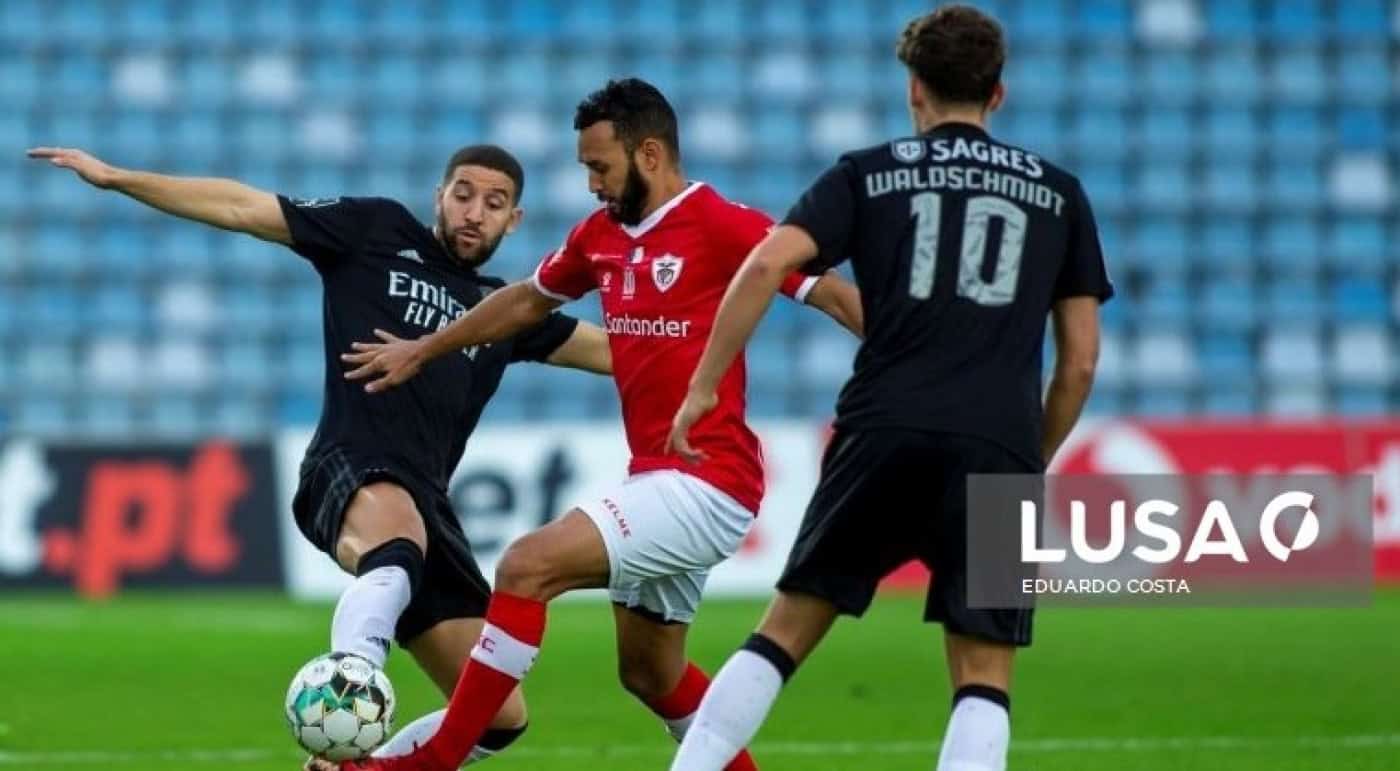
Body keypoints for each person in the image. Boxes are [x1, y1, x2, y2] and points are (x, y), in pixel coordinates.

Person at [316, 78, 862, 771]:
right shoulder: (601, 236)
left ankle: (426, 763)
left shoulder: (723, 224)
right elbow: (521, 304)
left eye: (600, 167)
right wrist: (423, 349)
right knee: (650, 672)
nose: (591, 183)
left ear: (651, 154)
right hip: (660, 476)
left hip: (708, 477)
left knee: (526, 564)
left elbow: (833, 293)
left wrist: (909, 370)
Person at [27, 143, 614, 764]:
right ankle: (349, 684)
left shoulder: (503, 309)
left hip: (430, 504)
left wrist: (702, 333)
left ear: (514, 219)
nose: (474, 212)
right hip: (350, 463)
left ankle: (360, 763)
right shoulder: (376, 231)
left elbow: (611, 352)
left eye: (494, 204)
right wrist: (118, 178)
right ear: (438, 195)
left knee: (498, 718)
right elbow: (241, 206)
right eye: (463, 194)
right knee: (396, 549)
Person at [663, 6, 1113, 771]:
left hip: (882, 428)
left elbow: (767, 265)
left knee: (784, 630)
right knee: (985, 671)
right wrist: (1026, 455)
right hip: (997, 442)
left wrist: (704, 383)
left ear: (914, 90)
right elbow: (1079, 363)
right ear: (997, 93)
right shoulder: (1060, 193)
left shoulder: (868, 172)